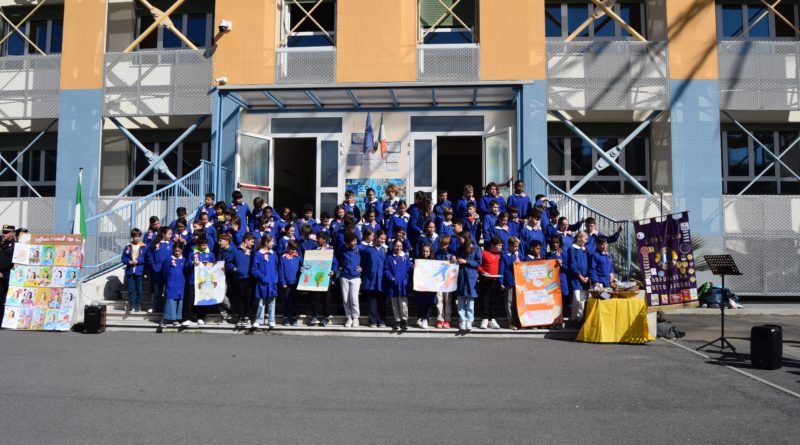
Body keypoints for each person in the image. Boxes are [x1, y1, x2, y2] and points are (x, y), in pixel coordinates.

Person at [184, 235, 215, 326]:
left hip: (205, 282)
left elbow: (214, 265)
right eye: (202, 245)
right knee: (191, 299)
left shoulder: (210, 254)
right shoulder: (192, 254)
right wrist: (193, 263)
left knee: (202, 300)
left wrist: (209, 265)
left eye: (205, 245)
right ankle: (190, 317)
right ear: (198, 245)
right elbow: (186, 267)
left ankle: (201, 317)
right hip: (193, 280)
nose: (204, 247)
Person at [250, 234, 278, 329]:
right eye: (272, 241)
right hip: (262, 282)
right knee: (261, 302)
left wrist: (275, 278)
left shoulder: (273, 254)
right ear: (266, 242)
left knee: (272, 301)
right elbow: (254, 268)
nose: (273, 243)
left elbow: (276, 267)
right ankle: (259, 320)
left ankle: (271, 320)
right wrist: (261, 277)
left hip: (272, 282)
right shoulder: (258, 254)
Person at [227, 233, 256, 327]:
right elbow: (229, 263)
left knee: (248, 298)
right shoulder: (235, 250)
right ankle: (240, 317)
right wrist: (235, 269)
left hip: (249, 278)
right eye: (251, 242)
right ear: (246, 240)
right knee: (240, 299)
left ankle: (247, 317)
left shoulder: (251, 251)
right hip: (239, 278)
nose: (252, 244)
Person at [455, 230, 481, 333]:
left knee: (470, 300)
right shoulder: (459, 249)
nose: (459, 241)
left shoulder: (476, 248)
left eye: (460, 239)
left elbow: (478, 262)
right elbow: (457, 260)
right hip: (461, 276)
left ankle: (469, 320)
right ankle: (462, 319)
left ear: (465, 238)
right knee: (461, 299)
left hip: (471, 276)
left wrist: (466, 261)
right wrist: (455, 259)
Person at [360, 229, 387, 328]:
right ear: (376, 237)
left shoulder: (385, 250)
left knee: (381, 301)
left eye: (384, 239)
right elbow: (363, 263)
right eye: (381, 238)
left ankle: (381, 320)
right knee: (372, 301)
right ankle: (372, 321)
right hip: (370, 279)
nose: (382, 241)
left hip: (382, 280)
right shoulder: (368, 249)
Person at [309, 232, 337, 326]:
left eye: (319, 238)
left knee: (326, 299)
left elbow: (335, 263)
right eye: (317, 238)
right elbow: (309, 261)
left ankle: (325, 317)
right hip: (315, 279)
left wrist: (333, 271)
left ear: (324, 239)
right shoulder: (313, 249)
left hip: (326, 279)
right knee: (314, 298)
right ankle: (314, 316)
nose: (317, 240)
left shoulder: (330, 250)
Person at [384, 238, 411, 331]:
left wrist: (406, 280)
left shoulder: (406, 257)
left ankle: (404, 320)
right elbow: (386, 269)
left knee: (403, 303)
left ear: (402, 246)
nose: (398, 248)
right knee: (395, 303)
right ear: (393, 246)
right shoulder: (389, 257)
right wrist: (391, 278)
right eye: (396, 246)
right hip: (393, 284)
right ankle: (397, 320)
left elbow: (409, 270)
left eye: (400, 246)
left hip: (403, 284)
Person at [478, 236, 503, 329]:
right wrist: (483, 272)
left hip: (496, 280)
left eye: (501, 245)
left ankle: (492, 319)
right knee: (485, 300)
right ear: (492, 245)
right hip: (485, 280)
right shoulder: (484, 253)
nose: (501, 247)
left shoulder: (501, 255)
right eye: (499, 245)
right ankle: (484, 318)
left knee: (494, 300)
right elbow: (478, 265)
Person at [147, 227, 174, 315]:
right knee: (157, 290)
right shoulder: (155, 243)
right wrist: (153, 265)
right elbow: (150, 255)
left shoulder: (172, 244)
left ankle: (167, 308)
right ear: (163, 234)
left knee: (168, 290)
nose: (171, 235)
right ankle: (156, 307)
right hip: (157, 271)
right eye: (169, 234)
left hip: (168, 271)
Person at [121, 228, 147, 313]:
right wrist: (129, 262)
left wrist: (138, 261)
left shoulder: (143, 246)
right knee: (131, 289)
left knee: (139, 289)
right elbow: (123, 258)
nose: (137, 238)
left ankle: (137, 305)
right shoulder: (128, 246)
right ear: (132, 237)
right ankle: (131, 305)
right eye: (135, 237)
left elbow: (145, 258)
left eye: (138, 236)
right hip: (130, 271)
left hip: (139, 271)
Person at [339, 231, 362, 327]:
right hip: (344, 276)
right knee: (345, 299)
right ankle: (348, 318)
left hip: (356, 277)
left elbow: (367, 258)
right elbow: (337, 259)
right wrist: (339, 268)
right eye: (353, 241)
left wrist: (362, 267)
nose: (355, 242)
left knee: (354, 298)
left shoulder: (359, 249)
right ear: (348, 242)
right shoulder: (341, 249)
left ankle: (356, 318)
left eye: (356, 240)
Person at [567, 231, 590, 326]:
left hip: (584, 279)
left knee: (582, 301)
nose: (586, 241)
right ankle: (573, 318)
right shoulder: (572, 248)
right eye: (585, 239)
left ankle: (580, 319)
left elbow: (588, 263)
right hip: (576, 279)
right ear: (579, 238)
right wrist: (580, 276)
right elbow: (572, 264)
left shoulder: (584, 250)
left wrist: (587, 276)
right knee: (576, 299)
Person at [499, 236, 522, 330]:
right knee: (509, 302)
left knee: (519, 303)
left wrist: (520, 263)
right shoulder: (504, 256)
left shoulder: (519, 255)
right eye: (514, 246)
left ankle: (520, 321)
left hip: (520, 282)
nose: (516, 248)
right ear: (509, 245)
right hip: (509, 281)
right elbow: (501, 270)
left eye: (517, 247)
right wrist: (501, 282)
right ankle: (511, 321)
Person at [413, 244, 437, 329]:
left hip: (430, 286)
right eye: (423, 251)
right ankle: (420, 317)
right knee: (422, 302)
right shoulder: (418, 261)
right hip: (421, 285)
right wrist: (414, 268)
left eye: (427, 251)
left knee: (429, 302)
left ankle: (426, 319)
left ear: (430, 252)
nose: (425, 253)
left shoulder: (434, 261)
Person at [279, 240, 302, 326]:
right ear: (287, 247)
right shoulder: (283, 258)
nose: (292, 251)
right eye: (291, 248)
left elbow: (303, 267)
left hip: (296, 283)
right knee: (286, 301)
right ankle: (285, 318)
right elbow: (281, 271)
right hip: (286, 284)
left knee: (294, 301)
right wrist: (283, 282)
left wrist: (301, 270)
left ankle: (293, 317)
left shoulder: (298, 258)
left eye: (294, 249)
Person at [546, 235, 570, 320]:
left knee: (563, 300)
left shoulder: (564, 254)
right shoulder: (548, 255)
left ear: (560, 243)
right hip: (551, 282)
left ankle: (561, 319)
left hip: (562, 280)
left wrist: (561, 264)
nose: (555, 244)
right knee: (552, 301)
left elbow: (568, 269)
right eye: (553, 243)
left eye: (557, 242)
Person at [434, 235, 455, 329]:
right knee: (439, 299)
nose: (443, 246)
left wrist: (454, 261)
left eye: (445, 244)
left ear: (449, 244)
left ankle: (447, 319)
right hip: (439, 280)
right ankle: (440, 318)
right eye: (442, 244)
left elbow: (455, 267)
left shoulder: (452, 253)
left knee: (447, 300)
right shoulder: (437, 253)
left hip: (448, 280)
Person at [163, 244, 186, 327]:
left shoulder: (183, 259)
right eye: (176, 251)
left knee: (179, 300)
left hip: (180, 283)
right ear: (173, 250)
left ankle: (176, 318)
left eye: (179, 251)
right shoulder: (168, 259)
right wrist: (167, 281)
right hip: (171, 282)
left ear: (182, 251)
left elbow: (185, 271)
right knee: (170, 299)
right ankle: (166, 318)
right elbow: (165, 271)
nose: (177, 253)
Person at [0, 224, 15, 323]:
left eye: (6, 232)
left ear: (12, 233)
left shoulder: (15, 245)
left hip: (7, 275)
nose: (4, 234)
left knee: (3, 300)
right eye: (3, 232)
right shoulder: (2, 243)